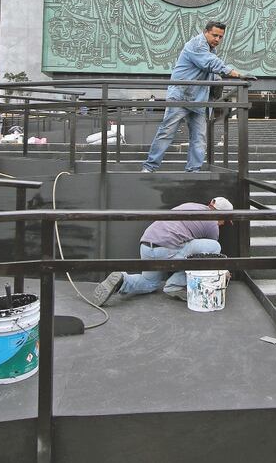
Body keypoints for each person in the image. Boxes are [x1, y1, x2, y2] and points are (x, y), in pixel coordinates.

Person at [142, 22, 242, 173]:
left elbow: (210, 70)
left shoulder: (211, 51)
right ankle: (149, 168)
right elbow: (208, 63)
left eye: (221, 37)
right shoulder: (196, 44)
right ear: (205, 32)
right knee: (166, 133)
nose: (217, 39)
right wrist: (234, 73)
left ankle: (193, 171)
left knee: (199, 139)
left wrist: (217, 83)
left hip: (199, 101)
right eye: (215, 35)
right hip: (181, 97)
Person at [93, 197, 233, 304]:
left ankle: (123, 280)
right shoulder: (212, 224)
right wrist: (224, 270)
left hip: (147, 244)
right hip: (167, 249)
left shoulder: (191, 205)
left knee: (149, 283)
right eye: (225, 221)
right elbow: (211, 257)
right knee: (214, 247)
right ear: (222, 215)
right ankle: (174, 285)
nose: (223, 225)